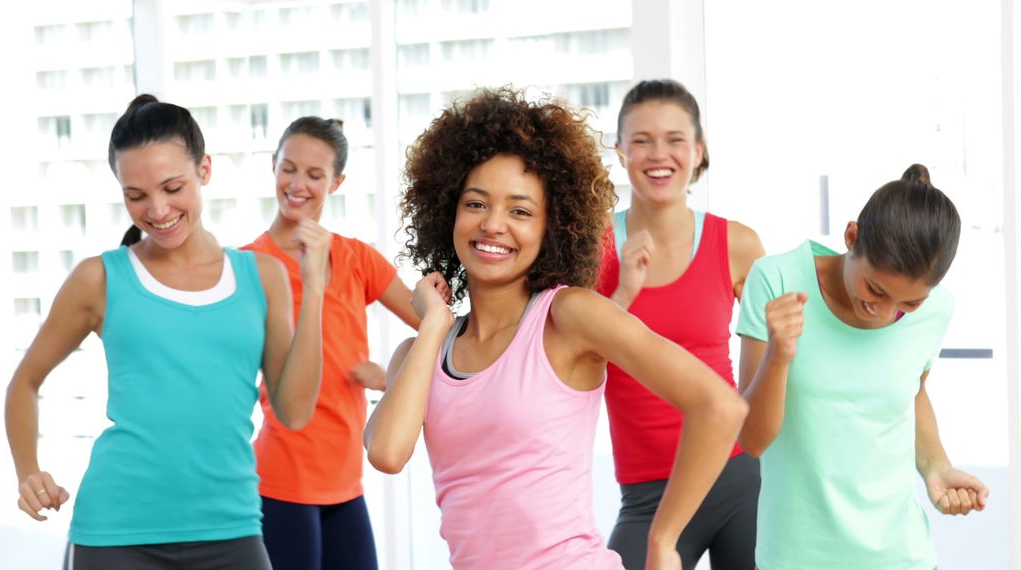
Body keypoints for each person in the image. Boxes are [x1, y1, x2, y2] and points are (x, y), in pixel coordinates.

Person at [363, 87, 748, 570]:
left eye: (520, 211)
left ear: (552, 228)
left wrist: (663, 541)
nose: (494, 225)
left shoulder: (568, 316)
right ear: (449, 211)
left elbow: (719, 406)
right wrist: (434, 323)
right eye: (476, 204)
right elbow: (387, 452)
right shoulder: (420, 352)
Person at [4, 94, 329, 570]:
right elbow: (25, 381)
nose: (157, 210)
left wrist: (316, 288)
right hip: (114, 534)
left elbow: (296, 413)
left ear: (205, 170)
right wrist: (27, 472)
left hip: (231, 528)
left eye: (172, 187)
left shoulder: (262, 276)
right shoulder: (100, 278)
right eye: (136, 196)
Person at [736, 164, 990, 569]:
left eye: (909, 304)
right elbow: (752, 440)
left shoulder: (938, 310)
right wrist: (777, 357)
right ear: (851, 237)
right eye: (875, 289)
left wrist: (936, 467)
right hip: (796, 557)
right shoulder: (778, 280)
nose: (885, 313)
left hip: (902, 556)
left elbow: (912, 391)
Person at [596, 79, 765, 570]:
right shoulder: (594, 247)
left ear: (698, 151)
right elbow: (576, 364)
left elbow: (779, 362)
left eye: (674, 139)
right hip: (647, 493)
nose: (658, 153)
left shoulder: (737, 244)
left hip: (736, 476)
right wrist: (624, 292)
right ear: (621, 149)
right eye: (642, 140)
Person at [243, 116, 419, 569]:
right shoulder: (249, 266)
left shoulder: (357, 257)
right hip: (281, 479)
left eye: (315, 175)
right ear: (273, 166)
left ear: (337, 182)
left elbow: (438, 327)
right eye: (289, 168)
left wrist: (394, 378)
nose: (297, 184)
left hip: (346, 481)